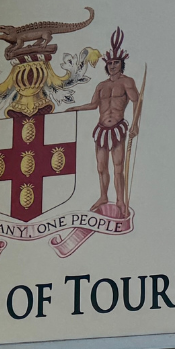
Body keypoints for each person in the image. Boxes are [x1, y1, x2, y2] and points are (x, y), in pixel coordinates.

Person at [70, 28, 142, 212]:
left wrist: (135, 125)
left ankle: (120, 200)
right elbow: (94, 105)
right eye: (110, 63)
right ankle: (103, 196)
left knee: (118, 167)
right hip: (101, 128)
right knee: (101, 166)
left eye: (116, 62)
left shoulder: (127, 82)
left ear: (121, 64)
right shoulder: (101, 85)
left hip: (118, 127)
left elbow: (137, 101)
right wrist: (76, 108)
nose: (112, 66)